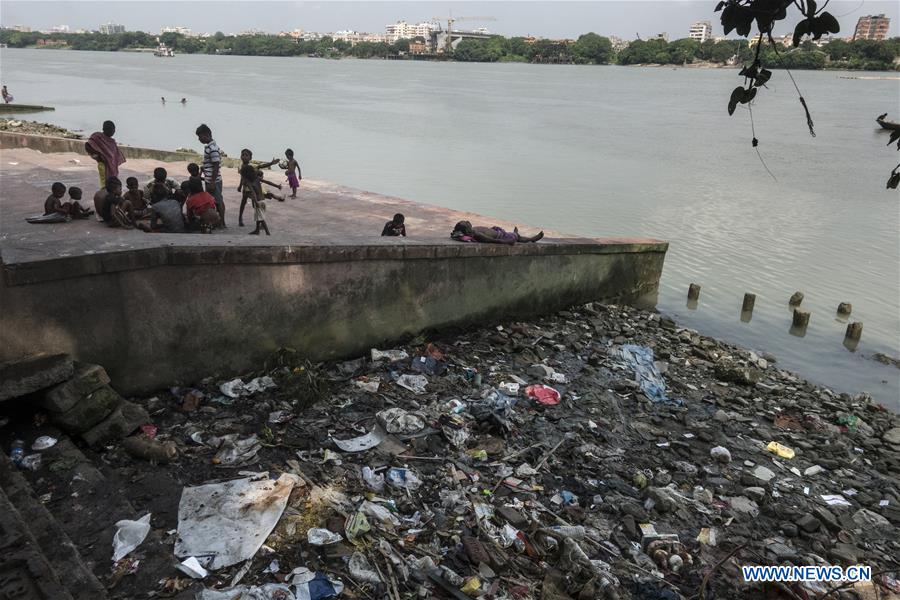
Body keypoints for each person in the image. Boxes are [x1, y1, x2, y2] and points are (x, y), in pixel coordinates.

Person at [236, 149, 279, 226]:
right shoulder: (241, 166)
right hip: (245, 188)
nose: (244, 157)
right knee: (243, 203)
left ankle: (260, 222)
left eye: (246, 155)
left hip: (252, 188)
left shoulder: (252, 165)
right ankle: (240, 218)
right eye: (243, 155)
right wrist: (240, 186)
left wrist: (271, 163)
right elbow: (242, 178)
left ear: (250, 158)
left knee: (256, 203)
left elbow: (261, 166)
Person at [195, 124, 225, 227]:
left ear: (207, 135)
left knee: (218, 201)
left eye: (200, 136)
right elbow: (211, 164)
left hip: (214, 181)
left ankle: (222, 222)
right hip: (209, 179)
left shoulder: (212, 148)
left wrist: (212, 182)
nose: (199, 139)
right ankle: (215, 220)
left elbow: (216, 165)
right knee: (212, 201)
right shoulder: (209, 147)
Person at [84, 120, 125, 187]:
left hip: (113, 167)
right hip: (103, 165)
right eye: (111, 129)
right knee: (105, 184)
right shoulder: (98, 137)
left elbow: (115, 155)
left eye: (114, 129)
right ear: (104, 129)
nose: (113, 131)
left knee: (113, 183)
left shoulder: (112, 142)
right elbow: (87, 145)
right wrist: (98, 156)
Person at [450, 221, 544, 245]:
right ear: (467, 230)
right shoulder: (477, 234)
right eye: (466, 223)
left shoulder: (473, 231)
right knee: (517, 237)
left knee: (514, 234)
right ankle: (532, 239)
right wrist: (506, 242)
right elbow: (492, 240)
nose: (467, 222)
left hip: (496, 231)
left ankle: (515, 233)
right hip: (502, 236)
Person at [239, 164, 270, 236]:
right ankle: (257, 230)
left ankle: (267, 232)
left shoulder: (249, 183)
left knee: (261, 218)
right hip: (263, 200)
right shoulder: (257, 178)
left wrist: (255, 202)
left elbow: (253, 193)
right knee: (258, 217)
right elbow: (268, 182)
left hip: (258, 201)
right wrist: (277, 186)